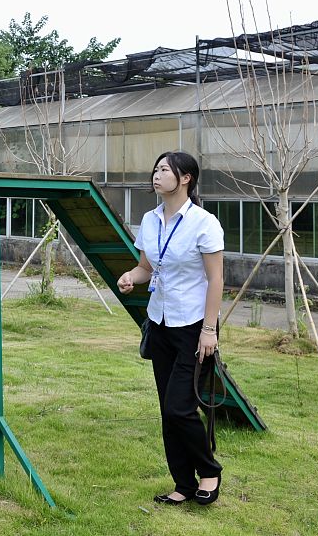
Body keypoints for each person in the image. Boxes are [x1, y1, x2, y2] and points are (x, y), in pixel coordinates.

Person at [117, 151, 225, 506]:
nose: (156, 174)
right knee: (167, 408)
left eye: (165, 170)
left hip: (194, 325)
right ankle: (183, 483)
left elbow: (216, 280)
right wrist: (131, 277)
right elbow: (146, 267)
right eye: (156, 169)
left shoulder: (204, 223)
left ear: (186, 178)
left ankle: (209, 471)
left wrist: (209, 330)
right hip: (160, 321)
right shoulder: (149, 220)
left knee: (180, 407)